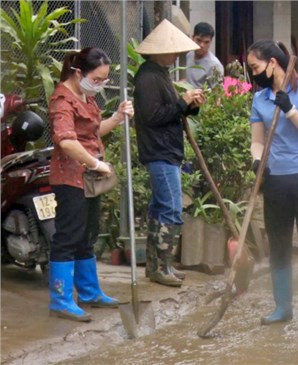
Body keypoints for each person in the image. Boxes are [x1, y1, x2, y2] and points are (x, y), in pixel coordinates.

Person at [246, 40, 298, 329]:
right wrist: (257, 160)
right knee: (279, 244)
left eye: (255, 67)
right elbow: (257, 141)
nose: (252, 73)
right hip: (276, 179)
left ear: (272, 63)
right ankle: (283, 307)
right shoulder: (259, 99)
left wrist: (291, 110)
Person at [48, 47, 134, 321]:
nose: (100, 84)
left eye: (104, 80)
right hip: (70, 178)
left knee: (88, 235)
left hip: (89, 180)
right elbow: (66, 141)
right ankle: (61, 299)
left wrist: (117, 119)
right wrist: (96, 164)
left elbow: (93, 131)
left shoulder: (85, 96)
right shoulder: (62, 99)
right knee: (68, 236)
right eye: (96, 79)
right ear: (78, 72)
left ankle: (89, 292)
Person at [133, 19, 206, 287]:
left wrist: (190, 105)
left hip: (166, 150)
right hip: (159, 151)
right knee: (171, 209)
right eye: (173, 51)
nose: (176, 56)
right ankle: (161, 266)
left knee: (161, 208)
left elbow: (170, 112)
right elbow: (154, 116)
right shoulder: (149, 77)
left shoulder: (159, 73)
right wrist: (181, 102)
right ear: (160, 51)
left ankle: (159, 265)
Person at [185, 22, 224, 89]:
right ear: (193, 38)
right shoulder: (189, 55)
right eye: (199, 40)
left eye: (206, 42)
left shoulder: (214, 65)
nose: (202, 45)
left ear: (211, 42)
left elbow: (218, 94)